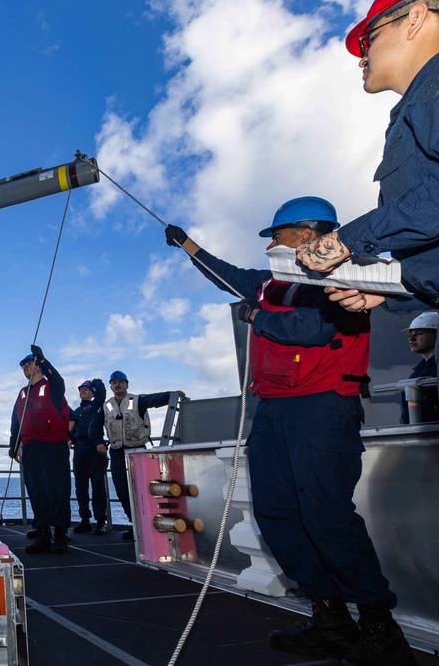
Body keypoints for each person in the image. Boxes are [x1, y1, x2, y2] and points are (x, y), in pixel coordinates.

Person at [166, 196, 415, 665]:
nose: (270, 247)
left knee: (326, 517)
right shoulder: (271, 283)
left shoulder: (344, 278)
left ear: (306, 234)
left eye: (276, 237)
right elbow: (229, 277)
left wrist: (257, 317)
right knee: (279, 515)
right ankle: (331, 621)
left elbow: (312, 329)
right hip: (275, 414)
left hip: (322, 409)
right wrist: (189, 247)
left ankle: (381, 631)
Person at [295, 0, 439, 316]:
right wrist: (394, 292)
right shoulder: (420, 104)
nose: (362, 59)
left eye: (368, 39)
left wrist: (346, 240)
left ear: (415, 17)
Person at [104, 371, 184, 540]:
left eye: (120, 381)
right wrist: (98, 440)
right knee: (122, 490)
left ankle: (149, 525)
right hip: (117, 452)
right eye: (114, 382)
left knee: (144, 488)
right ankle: (135, 525)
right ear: (110, 386)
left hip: (137, 450)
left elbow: (155, 399)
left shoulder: (138, 401)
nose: (117, 384)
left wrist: (172, 395)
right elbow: (95, 426)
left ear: (127, 385)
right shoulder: (106, 407)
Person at [9, 345, 71, 554]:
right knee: (36, 491)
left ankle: (60, 534)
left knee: (57, 489)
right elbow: (16, 420)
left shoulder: (52, 387)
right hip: (31, 447)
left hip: (53, 446)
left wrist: (43, 360)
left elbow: (59, 381)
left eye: (28, 363)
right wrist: (14, 445)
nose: (24, 367)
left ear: (37, 366)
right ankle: (43, 533)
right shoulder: (22, 393)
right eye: (23, 365)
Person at [69, 378, 109, 535]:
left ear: (93, 393)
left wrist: (96, 381)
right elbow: (69, 430)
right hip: (79, 450)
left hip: (95, 449)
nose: (82, 391)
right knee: (80, 487)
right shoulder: (76, 412)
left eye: (86, 389)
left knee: (98, 486)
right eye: (81, 389)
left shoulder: (97, 406)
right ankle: (84, 520)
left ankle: (101, 522)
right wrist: (69, 440)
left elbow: (102, 393)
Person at [401, 311, 439, 423]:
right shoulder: (418, 371)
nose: (411, 339)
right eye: (410, 335)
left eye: (419, 333)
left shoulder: (434, 368)